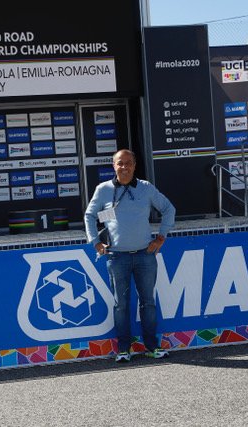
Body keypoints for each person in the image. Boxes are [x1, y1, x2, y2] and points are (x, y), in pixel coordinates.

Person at [84, 149, 175, 362]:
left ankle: (151, 346)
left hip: (145, 256)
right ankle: (124, 349)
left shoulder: (146, 188)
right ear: (113, 166)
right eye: (120, 163)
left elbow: (169, 209)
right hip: (117, 258)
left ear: (134, 166)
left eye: (128, 163)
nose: (124, 167)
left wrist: (160, 238)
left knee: (148, 303)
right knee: (121, 305)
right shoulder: (103, 189)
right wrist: (95, 242)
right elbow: (89, 216)